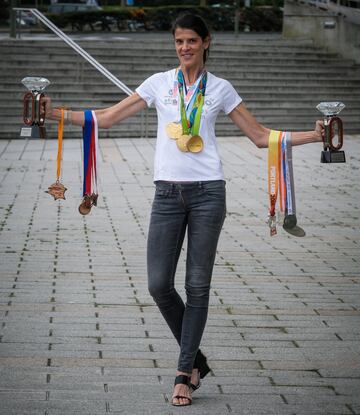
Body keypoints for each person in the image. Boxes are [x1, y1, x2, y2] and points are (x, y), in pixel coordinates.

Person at [43, 13, 324, 407]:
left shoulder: (221, 89)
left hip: (209, 194)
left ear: (206, 42)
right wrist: (52, 114)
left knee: (196, 286)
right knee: (159, 285)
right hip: (166, 196)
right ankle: (196, 360)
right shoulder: (159, 84)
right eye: (179, 41)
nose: (185, 48)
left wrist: (317, 134)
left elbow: (261, 138)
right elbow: (106, 118)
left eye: (192, 40)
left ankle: (183, 373)